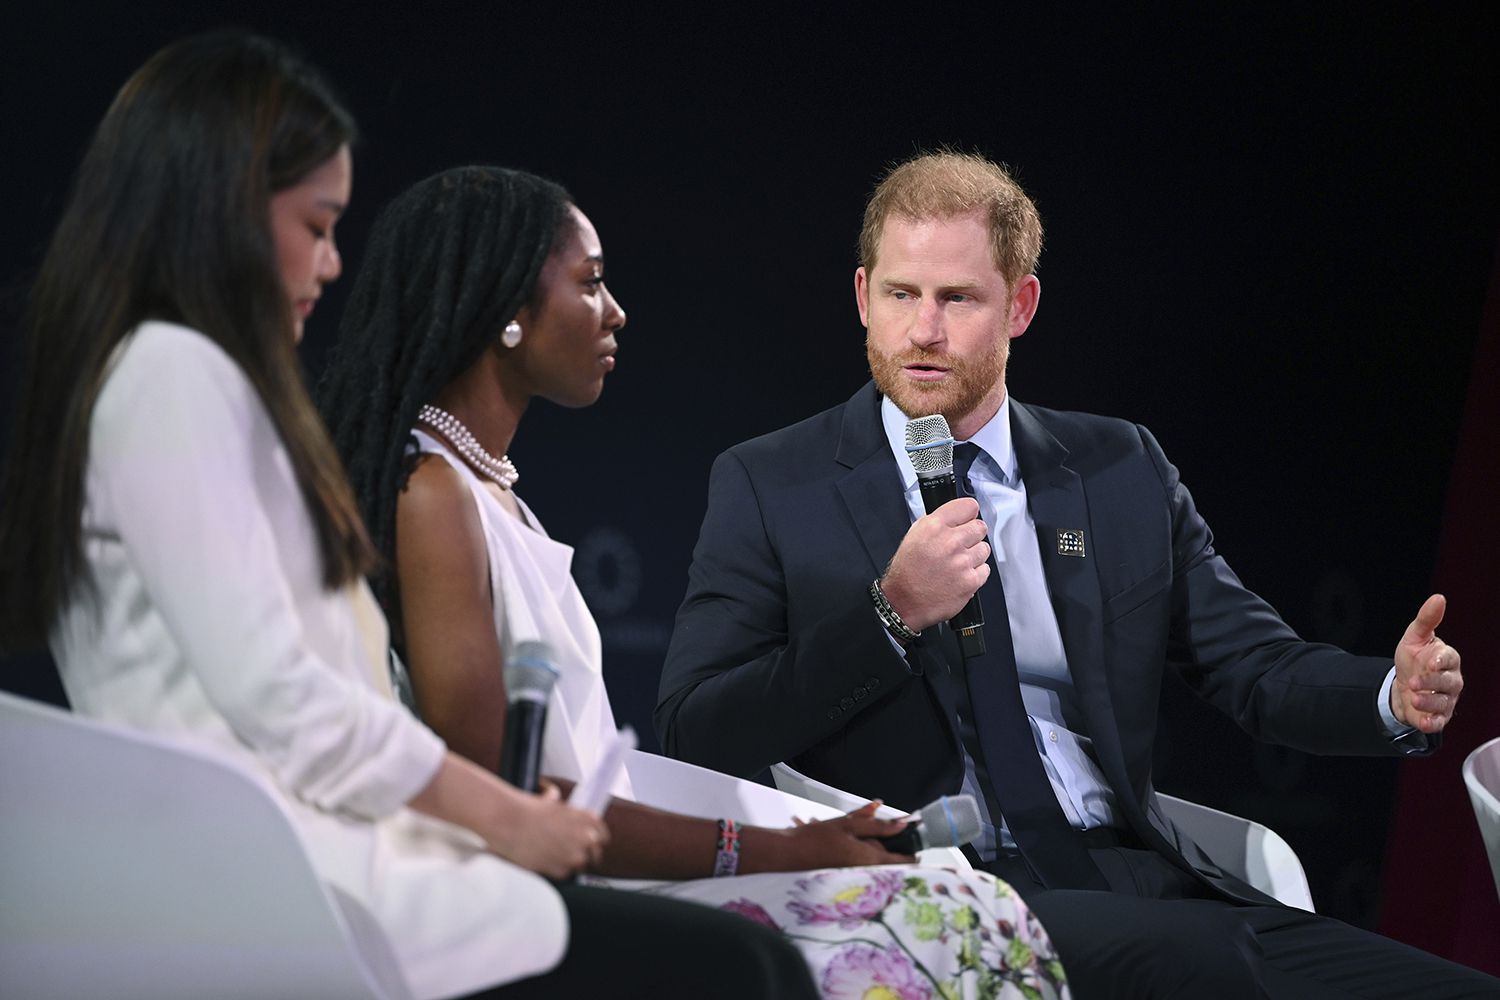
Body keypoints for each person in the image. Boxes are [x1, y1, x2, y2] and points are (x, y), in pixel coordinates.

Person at [0, 32, 820, 1000]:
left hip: (297, 862)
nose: (334, 261)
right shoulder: (175, 378)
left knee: (750, 961)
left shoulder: (167, 381)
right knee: (747, 968)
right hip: (284, 887)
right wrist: (508, 818)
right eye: (316, 223)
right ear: (220, 211)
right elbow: (291, 706)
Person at [654, 150, 1499, 998]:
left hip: (1139, 874)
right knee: (1201, 967)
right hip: (946, 890)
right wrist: (889, 614)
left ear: (1019, 306)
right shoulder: (772, 484)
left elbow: (1255, 667)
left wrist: (1391, 695)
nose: (922, 332)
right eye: (901, 295)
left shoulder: (1117, 467)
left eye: (957, 299)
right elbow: (697, 731)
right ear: (862, 296)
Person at [316, 164, 1072, 1000]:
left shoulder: (483, 486)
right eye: (591, 284)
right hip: (527, 899)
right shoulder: (432, 494)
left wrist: (799, 835)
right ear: (506, 312)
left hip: (593, 870)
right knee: (947, 928)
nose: (615, 312)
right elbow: (502, 792)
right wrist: (779, 848)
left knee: (963, 904)